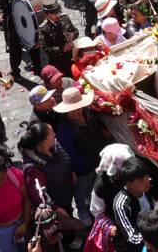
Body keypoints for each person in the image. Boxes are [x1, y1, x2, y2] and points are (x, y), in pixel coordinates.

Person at [53, 87, 107, 226]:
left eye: (78, 108)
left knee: (92, 186)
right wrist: (77, 170)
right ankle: (82, 210)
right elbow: (69, 153)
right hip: (81, 167)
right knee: (81, 191)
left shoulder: (89, 114)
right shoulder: (64, 129)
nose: (76, 112)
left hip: (95, 159)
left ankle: (91, 203)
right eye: (71, 110)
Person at [113, 157, 155, 252]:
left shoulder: (147, 189)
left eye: (147, 176)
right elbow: (132, 237)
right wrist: (155, 237)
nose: (148, 181)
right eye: (141, 180)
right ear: (129, 184)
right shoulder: (121, 204)